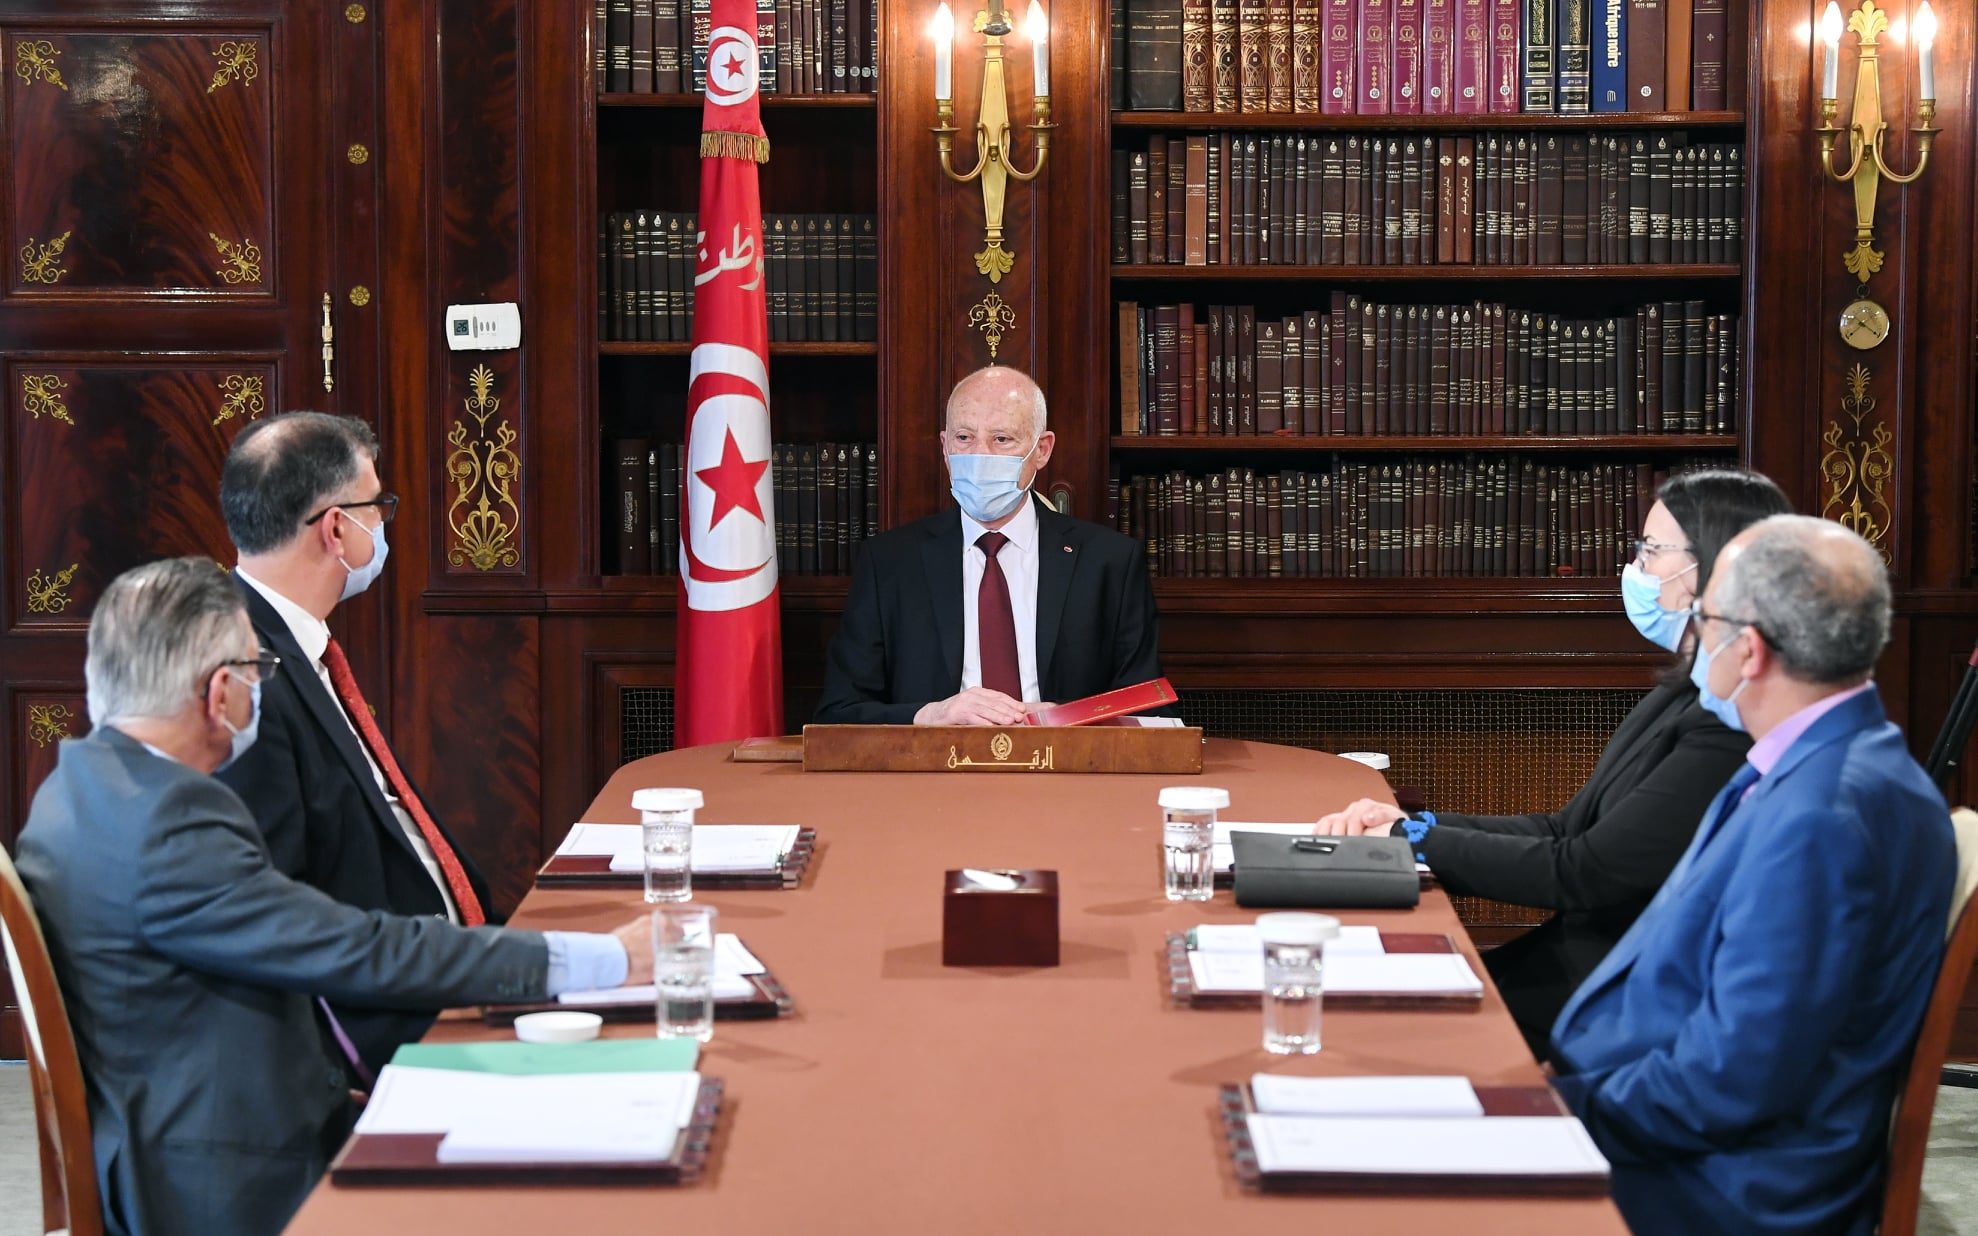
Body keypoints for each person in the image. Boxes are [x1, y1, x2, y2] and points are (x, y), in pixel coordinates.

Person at [15, 558, 653, 1236]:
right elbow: (354, 949)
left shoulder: (72, 789)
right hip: (235, 1181)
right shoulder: (170, 823)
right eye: (258, 671)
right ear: (221, 692)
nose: (260, 689)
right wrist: (603, 960)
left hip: (195, 1131)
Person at [1549, 515, 1953, 1234]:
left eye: (1704, 618)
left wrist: (1557, 1112)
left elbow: (1731, 1079)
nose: (1694, 636)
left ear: (1751, 649)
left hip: (1727, 1186)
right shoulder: (1817, 758)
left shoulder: (1824, 816)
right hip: (1680, 1134)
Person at [1314, 468, 1792, 1050]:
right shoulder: (1681, 690)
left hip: (1617, 999)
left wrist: (1412, 841)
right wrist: (1412, 828)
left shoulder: (1730, 725)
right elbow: (1565, 827)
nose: (1636, 567)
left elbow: (1586, 871)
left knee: (1366, 1027)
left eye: (1651, 550)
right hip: (1574, 964)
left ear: (1710, 569)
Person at [215, 411, 491, 1075]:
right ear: (336, 528)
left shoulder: (290, 639)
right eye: (378, 508)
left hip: (440, 969)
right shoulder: (245, 675)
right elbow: (277, 914)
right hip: (383, 1024)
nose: (384, 526)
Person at [815, 366, 1163, 725]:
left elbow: (1152, 711)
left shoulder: (1110, 563)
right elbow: (838, 714)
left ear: (1042, 450)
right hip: (935, 758)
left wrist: (1066, 720)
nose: (979, 455)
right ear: (945, 447)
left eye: (1001, 439)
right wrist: (931, 715)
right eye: (964, 437)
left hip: (1063, 757)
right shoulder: (888, 563)